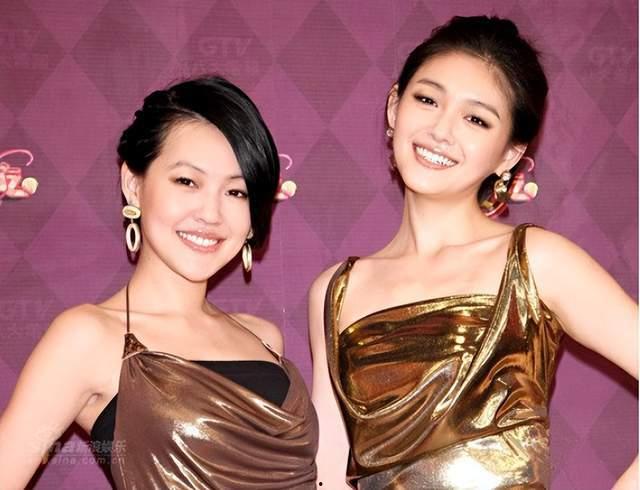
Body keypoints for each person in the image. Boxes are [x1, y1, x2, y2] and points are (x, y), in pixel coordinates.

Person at [309, 16, 637, 489]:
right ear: (394, 107)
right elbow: (329, 470)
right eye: (427, 100)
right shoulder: (335, 290)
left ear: (509, 155)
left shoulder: (536, 261)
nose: (441, 131)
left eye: (476, 119)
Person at [0, 76, 318, 489]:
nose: (211, 213)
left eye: (236, 192)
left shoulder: (263, 337)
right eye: (187, 182)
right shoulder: (87, 337)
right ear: (134, 185)